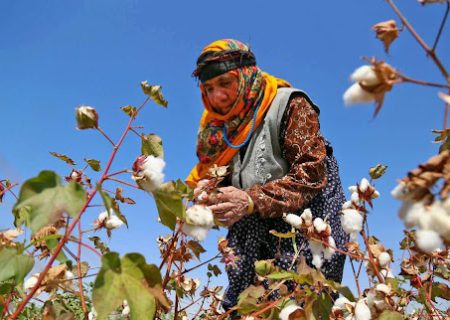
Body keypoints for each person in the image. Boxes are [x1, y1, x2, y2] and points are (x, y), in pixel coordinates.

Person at [186, 39, 347, 314]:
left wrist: (250, 199)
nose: (217, 96)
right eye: (208, 88)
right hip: (252, 237)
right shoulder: (218, 131)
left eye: (225, 82)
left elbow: (311, 173)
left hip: (306, 230)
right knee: (244, 309)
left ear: (246, 74)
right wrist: (209, 190)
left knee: (298, 307)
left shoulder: (289, 104)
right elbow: (227, 182)